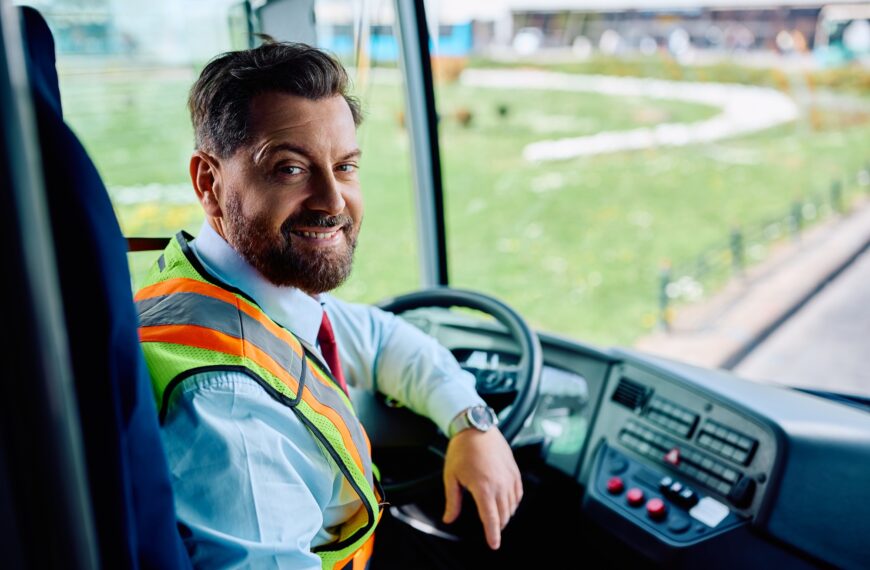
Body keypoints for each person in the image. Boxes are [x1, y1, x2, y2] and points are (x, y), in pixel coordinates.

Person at [135, 41, 522, 568]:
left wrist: (472, 421)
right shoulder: (228, 406)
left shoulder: (226, 286)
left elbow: (380, 337)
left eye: (344, 166)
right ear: (210, 182)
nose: (334, 202)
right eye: (291, 169)